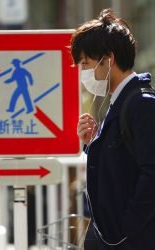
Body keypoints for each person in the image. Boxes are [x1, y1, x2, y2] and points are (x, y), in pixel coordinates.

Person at [71, 8, 155, 249]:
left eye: (86, 64)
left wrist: (127, 228)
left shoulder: (141, 103)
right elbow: (121, 162)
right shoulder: (121, 101)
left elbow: (151, 173)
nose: (83, 73)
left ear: (109, 60)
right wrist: (91, 144)